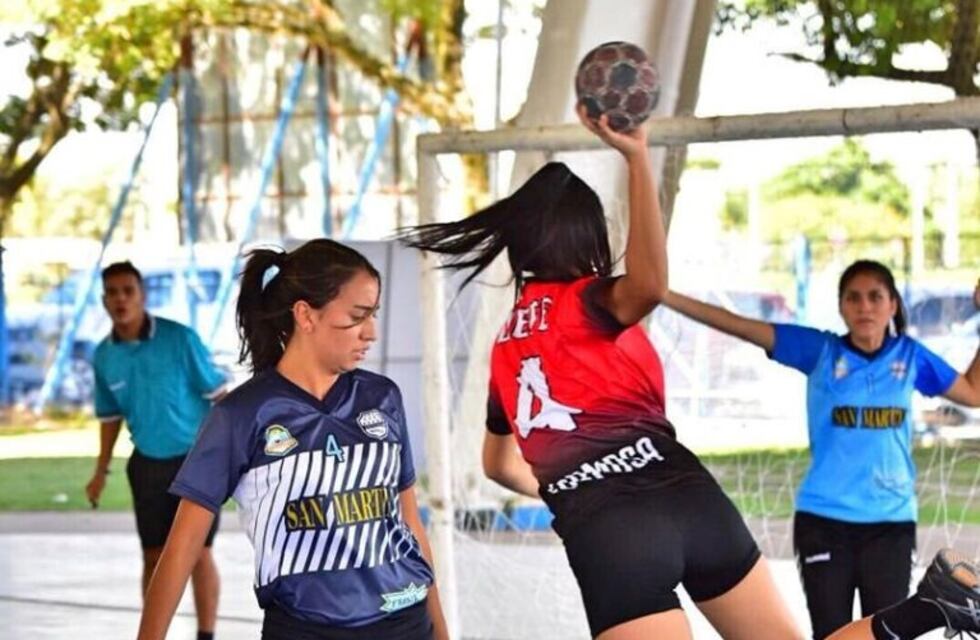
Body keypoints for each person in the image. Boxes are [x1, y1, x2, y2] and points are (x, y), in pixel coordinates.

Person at [398, 108, 980, 640]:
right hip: (693, 500)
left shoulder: (507, 347)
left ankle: (932, 604)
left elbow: (498, 465)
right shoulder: (597, 301)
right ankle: (930, 605)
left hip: (611, 533)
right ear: (590, 237)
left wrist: (569, 484)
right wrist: (635, 156)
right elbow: (648, 286)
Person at [137, 239, 448, 640]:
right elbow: (182, 546)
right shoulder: (241, 414)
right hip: (302, 629)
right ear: (305, 315)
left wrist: (441, 633)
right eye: (357, 316)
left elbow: (409, 523)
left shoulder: (383, 397)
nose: (371, 332)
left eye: (374, 314)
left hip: (407, 622)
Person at [663, 265, 980, 638]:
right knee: (831, 633)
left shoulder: (910, 357)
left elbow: (973, 392)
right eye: (853, 298)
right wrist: (662, 295)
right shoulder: (821, 351)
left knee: (890, 631)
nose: (865, 306)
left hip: (890, 523)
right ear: (841, 307)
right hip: (824, 521)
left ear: (893, 305)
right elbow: (742, 326)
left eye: (875, 297)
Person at [85, 260, 226, 640]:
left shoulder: (180, 339)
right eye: (112, 293)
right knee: (153, 554)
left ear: (142, 295)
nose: (120, 299)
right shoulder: (104, 356)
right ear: (104, 300)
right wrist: (100, 472)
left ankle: (206, 635)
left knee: (198, 553)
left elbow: (220, 395)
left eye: (128, 291)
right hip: (147, 464)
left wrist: (234, 453)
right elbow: (109, 417)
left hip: (195, 463)